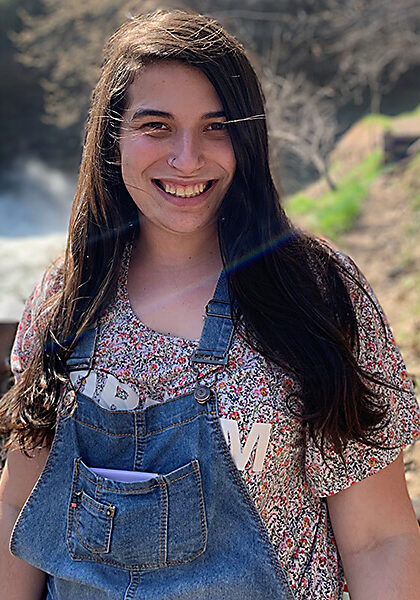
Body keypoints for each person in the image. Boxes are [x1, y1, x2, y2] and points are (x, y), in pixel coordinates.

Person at [0, 9, 419, 600]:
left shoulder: (316, 294)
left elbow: (379, 539)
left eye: (216, 126)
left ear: (248, 138)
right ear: (113, 134)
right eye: (157, 126)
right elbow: (20, 505)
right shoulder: (66, 300)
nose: (188, 158)